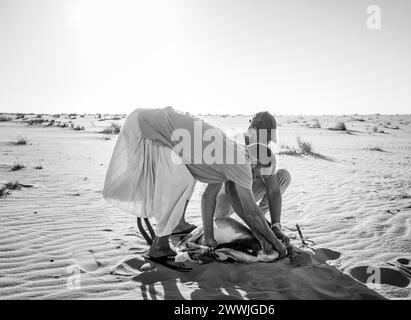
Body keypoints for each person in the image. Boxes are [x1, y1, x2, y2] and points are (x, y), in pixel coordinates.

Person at [103, 107, 286, 271]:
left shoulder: (233, 154)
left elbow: (209, 197)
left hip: (146, 123)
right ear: (255, 163)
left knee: (182, 178)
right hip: (147, 127)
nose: (256, 178)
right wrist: (276, 243)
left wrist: (209, 236)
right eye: (258, 173)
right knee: (181, 181)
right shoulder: (241, 163)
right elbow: (251, 211)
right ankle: (160, 246)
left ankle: (161, 241)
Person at [215, 112, 291, 246]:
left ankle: (258, 215)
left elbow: (273, 191)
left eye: (268, 139)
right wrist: (256, 229)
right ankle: (254, 218)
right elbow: (231, 192)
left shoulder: (265, 152)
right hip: (223, 195)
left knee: (283, 176)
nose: (266, 143)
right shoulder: (235, 145)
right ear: (252, 131)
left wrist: (275, 226)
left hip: (246, 191)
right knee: (221, 222)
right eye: (263, 138)